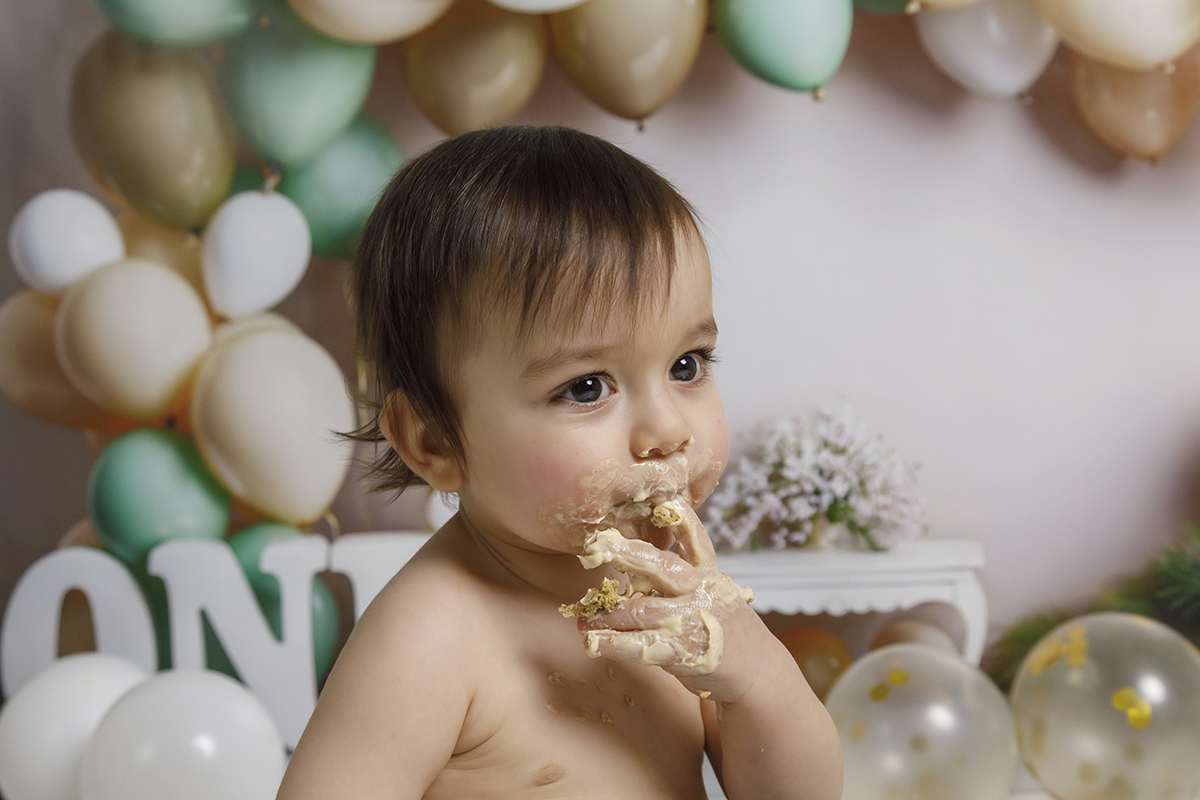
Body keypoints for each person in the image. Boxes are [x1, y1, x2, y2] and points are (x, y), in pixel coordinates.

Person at [277, 126, 842, 800]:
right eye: (586, 387)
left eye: (686, 366)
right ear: (435, 443)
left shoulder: (670, 597)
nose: (667, 430)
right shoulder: (430, 636)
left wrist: (755, 677)